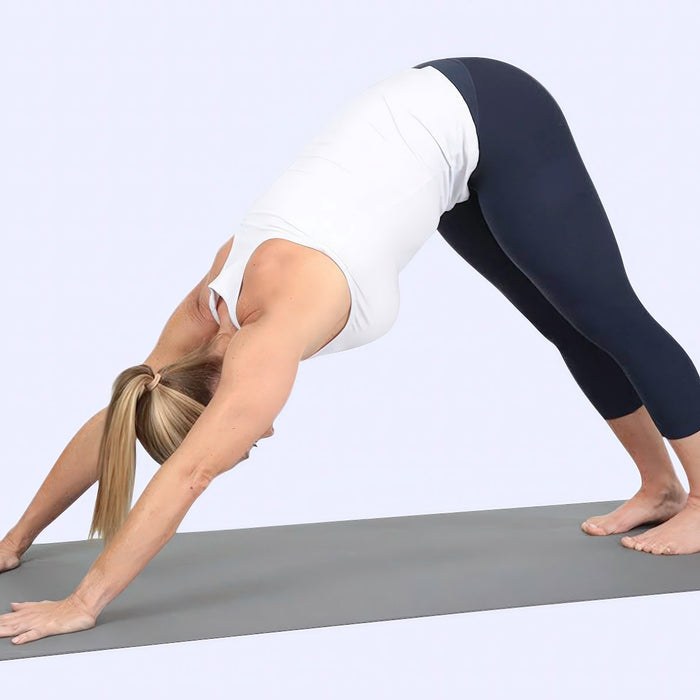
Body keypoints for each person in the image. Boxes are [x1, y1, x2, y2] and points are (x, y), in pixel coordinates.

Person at [2, 55, 700, 646]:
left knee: (609, 313)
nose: (258, 435)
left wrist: (84, 602)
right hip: (425, 137)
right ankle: (659, 486)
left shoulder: (262, 347)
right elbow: (121, 416)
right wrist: (16, 537)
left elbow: (186, 475)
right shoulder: (201, 319)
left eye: (242, 437)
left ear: (218, 399)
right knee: (565, 322)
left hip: (489, 112)